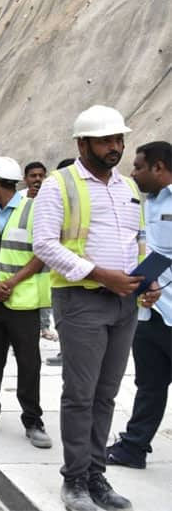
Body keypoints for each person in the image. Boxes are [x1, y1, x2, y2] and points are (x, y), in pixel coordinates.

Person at [33, 105, 159, 511]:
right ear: (82, 142)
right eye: (106, 140)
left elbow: (138, 239)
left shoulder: (128, 188)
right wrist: (102, 275)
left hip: (124, 304)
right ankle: (74, 481)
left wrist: (148, 277)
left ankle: (95, 475)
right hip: (82, 301)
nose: (115, 147)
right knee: (80, 395)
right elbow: (45, 245)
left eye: (119, 140)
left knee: (106, 394)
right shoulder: (60, 184)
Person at [0, 157, 53, 449]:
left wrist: (12, 283)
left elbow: (41, 254)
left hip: (24, 304)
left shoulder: (33, 210)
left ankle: (33, 420)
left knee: (29, 364)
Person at [106, 141, 172, 470]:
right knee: (149, 385)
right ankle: (133, 448)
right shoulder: (142, 202)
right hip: (148, 312)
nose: (133, 173)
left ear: (158, 167)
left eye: (139, 167)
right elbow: (145, 251)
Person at [45, 157, 76, 368]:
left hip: (76, 277)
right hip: (63, 276)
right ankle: (65, 352)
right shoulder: (58, 200)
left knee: (69, 321)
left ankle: (69, 355)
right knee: (63, 321)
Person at [24, 161, 57, 343]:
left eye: (40, 176)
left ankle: (44, 326)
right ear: (25, 179)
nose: (37, 179)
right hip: (25, 254)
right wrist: (29, 200)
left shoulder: (52, 196)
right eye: (33, 176)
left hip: (47, 253)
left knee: (46, 291)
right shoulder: (20, 199)